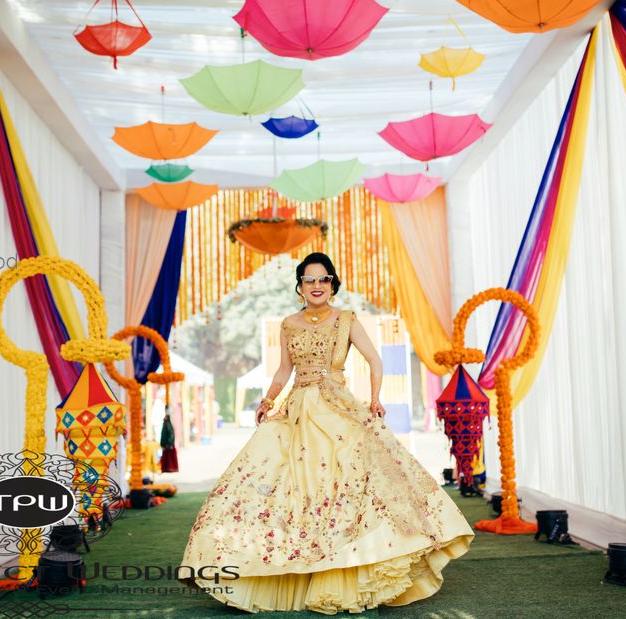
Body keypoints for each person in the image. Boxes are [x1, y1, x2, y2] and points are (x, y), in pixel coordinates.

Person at [177, 252, 474, 614]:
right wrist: (268, 400)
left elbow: (374, 360)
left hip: (337, 409)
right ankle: (291, 571)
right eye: (309, 280)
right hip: (298, 411)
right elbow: (283, 370)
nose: (316, 286)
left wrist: (376, 398)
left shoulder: (346, 319)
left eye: (323, 279)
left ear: (332, 284)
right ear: (299, 287)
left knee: (348, 487)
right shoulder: (288, 324)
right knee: (281, 483)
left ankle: (346, 572)